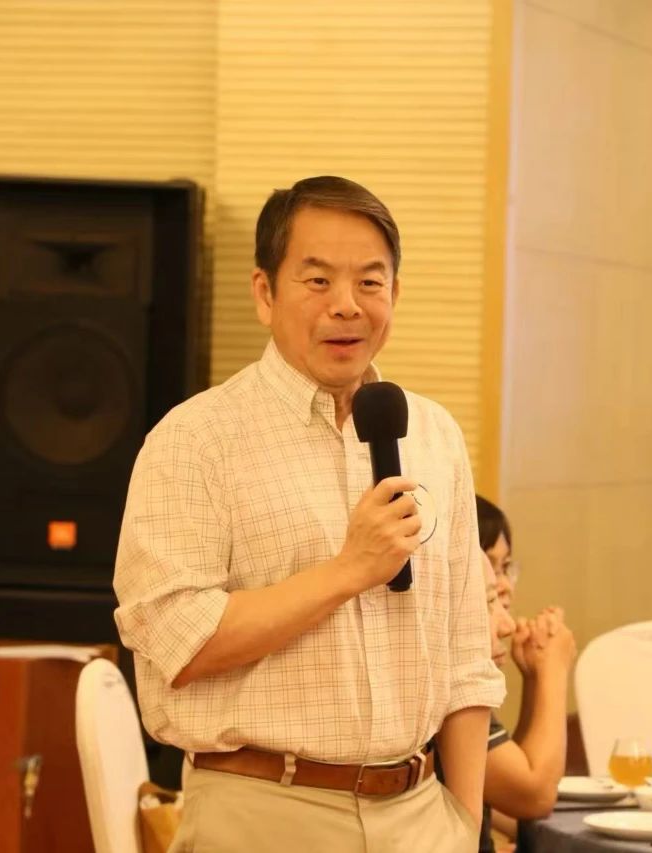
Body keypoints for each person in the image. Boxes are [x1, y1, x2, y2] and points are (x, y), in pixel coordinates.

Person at [113, 175, 504, 852]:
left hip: (421, 816)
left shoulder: (434, 435)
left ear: (395, 294)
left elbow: (467, 653)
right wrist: (349, 570)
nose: (346, 305)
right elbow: (178, 640)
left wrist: (464, 825)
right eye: (318, 281)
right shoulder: (195, 439)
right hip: (262, 811)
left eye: (370, 282)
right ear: (265, 293)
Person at [475, 495, 576, 852]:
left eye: (505, 567)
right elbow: (534, 796)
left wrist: (533, 676)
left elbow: (507, 796)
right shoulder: (452, 673)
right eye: (488, 565)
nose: (504, 584)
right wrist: (553, 670)